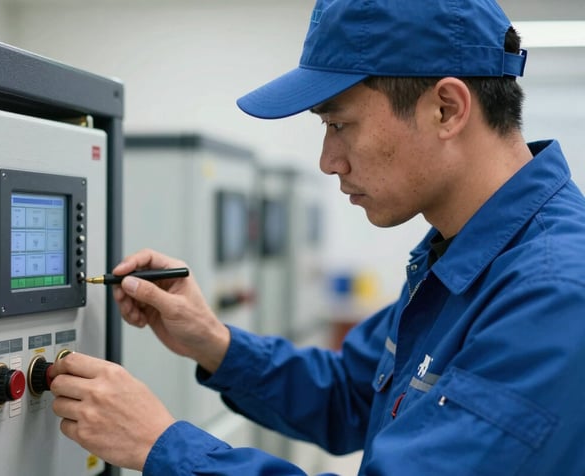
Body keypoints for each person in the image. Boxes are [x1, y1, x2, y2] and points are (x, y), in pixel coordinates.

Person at [48, 0, 585, 474]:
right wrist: (213, 342)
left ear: (446, 108)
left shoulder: (552, 294)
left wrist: (159, 445)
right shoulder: (459, 254)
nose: (328, 161)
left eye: (340, 124)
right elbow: (352, 396)